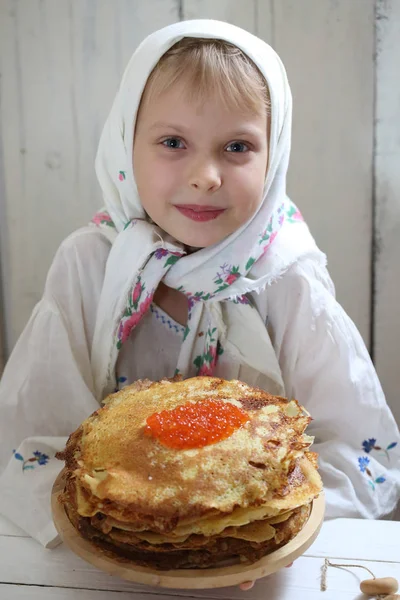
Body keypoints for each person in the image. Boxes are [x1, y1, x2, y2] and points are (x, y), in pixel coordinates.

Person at [0, 19, 399, 585]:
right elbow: (32, 435)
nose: (205, 175)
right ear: (125, 142)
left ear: (274, 152)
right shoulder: (90, 265)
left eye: (237, 147)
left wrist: (258, 534)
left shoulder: (284, 277)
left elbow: (360, 449)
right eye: (172, 143)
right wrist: (125, 530)